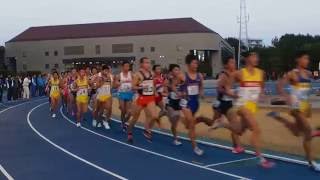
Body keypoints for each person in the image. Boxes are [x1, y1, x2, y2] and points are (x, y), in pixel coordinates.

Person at [267, 51, 320, 171]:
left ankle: (277, 117)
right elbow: (279, 86)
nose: (307, 61)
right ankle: (311, 162)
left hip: (305, 107)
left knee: (296, 131)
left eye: (308, 59)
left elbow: (315, 79)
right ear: (298, 59)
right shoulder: (292, 74)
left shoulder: (308, 73)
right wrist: (286, 97)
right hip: (296, 107)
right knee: (307, 131)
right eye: (305, 58)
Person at [229, 51, 274, 168]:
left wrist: (262, 95)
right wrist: (233, 94)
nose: (257, 58)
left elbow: (262, 88)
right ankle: (260, 158)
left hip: (252, 107)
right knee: (256, 129)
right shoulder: (239, 73)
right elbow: (227, 88)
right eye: (254, 56)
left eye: (257, 56)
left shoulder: (261, 73)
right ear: (247, 58)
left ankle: (223, 123)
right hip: (242, 105)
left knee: (239, 130)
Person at [204, 56, 244, 154]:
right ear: (226, 65)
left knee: (235, 125)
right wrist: (232, 94)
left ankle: (236, 146)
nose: (234, 64)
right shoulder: (223, 75)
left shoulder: (234, 74)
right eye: (231, 63)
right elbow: (219, 89)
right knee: (211, 123)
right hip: (220, 104)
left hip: (229, 104)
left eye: (234, 63)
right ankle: (201, 119)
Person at [127, 57, 159, 143]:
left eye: (149, 63)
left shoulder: (151, 73)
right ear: (141, 64)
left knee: (154, 116)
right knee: (135, 118)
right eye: (146, 63)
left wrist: (155, 92)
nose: (148, 64)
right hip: (141, 98)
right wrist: (141, 86)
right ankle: (129, 132)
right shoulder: (137, 74)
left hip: (150, 97)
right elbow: (132, 87)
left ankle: (146, 130)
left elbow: (153, 84)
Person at [163, 64, 184, 145]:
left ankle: (166, 113)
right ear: (171, 71)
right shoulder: (168, 80)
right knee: (173, 118)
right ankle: (176, 139)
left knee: (175, 122)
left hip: (178, 102)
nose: (177, 71)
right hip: (170, 102)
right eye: (175, 70)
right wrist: (168, 92)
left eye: (178, 70)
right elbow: (165, 91)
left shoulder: (181, 78)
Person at [115, 62, 134, 131]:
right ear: (122, 67)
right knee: (123, 110)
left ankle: (123, 122)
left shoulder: (131, 74)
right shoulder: (119, 75)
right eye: (125, 66)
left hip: (129, 93)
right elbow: (115, 84)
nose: (127, 67)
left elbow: (136, 81)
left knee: (129, 112)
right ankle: (123, 123)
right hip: (121, 93)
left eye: (128, 66)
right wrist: (118, 83)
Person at [93, 65, 113, 129]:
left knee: (109, 109)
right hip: (100, 95)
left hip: (107, 95)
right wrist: (103, 80)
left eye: (107, 71)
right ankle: (96, 120)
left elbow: (112, 86)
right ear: (102, 71)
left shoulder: (110, 77)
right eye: (105, 70)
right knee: (99, 110)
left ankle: (106, 121)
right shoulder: (99, 77)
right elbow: (97, 86)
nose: (106, 72)